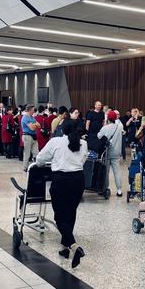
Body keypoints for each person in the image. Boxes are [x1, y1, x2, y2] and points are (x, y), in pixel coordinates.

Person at [35, 119, 87, 268]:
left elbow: (40, 159)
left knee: (59, 217)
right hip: (78, 180)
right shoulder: (83, 143)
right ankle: (65, 248)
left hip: (61, 181)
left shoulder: (55, 142)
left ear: (62, 130)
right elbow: (82, 160)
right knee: (71, 213)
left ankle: (74, 246)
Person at [97, 110, 124, 197]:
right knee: (117, 171)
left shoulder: (105, 128)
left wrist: (105, 123)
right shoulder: (119, 127)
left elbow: (99, 136)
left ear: (108, 118)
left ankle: (105, 188)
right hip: (116, 152)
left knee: (106, 171)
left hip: (107, 152)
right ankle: (119, 190)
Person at [21, 105, 41, 171]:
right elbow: (32, 128)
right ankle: (25, 167)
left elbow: (39, 125)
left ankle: (36, 166)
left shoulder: (32, 117)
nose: (34, 111)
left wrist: (33, 124)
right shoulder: (25, 118)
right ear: (30, 110)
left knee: (36, 153)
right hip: (27, 136)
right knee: (27, 153)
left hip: (34, 137)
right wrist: (35, 125)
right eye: (33, 110)